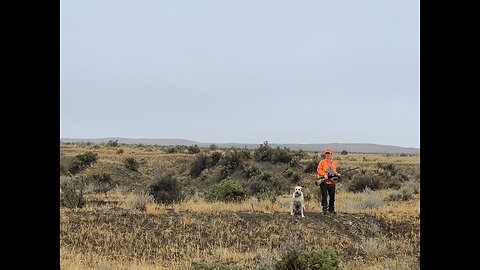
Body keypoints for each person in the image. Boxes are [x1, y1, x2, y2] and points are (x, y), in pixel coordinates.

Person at [316, 149, 341, 214]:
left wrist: (337, 174)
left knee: (332, 196)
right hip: (324, 182)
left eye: (329, 153)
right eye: (326, 153)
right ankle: (324, 209)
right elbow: (319, 170)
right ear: (325, 154)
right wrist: (324, 174)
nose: (327, 155)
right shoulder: (322, 162)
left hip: (332, 182)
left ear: (331, 154)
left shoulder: (333, 163)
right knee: (324, 196)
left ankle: (331, 209)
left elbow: (334, 171)